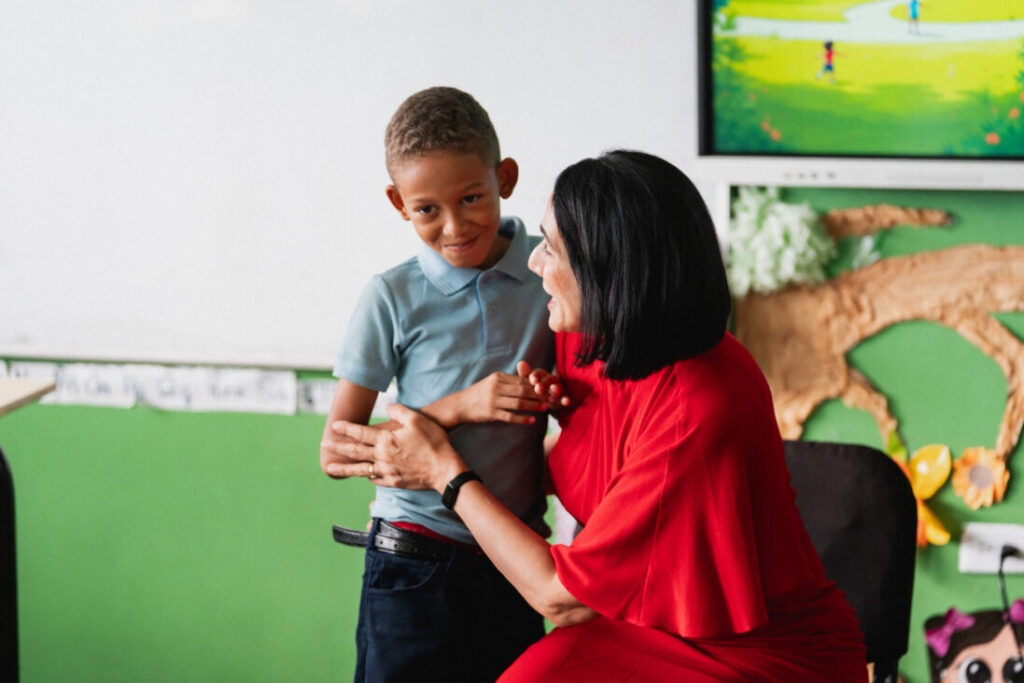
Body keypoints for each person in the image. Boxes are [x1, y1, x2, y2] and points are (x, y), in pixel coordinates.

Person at [327, 150, 869, 681]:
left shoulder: (697, 409)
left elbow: (560, 599)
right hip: (644, 622)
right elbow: (579, 467)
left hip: (757, 653)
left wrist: (444, 473)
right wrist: (459, 431)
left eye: (551, 249)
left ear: (609, 274)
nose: (533, 262)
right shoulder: (590, 342)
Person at [320, 86, 566, 683]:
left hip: (516, 562)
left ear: (505, 178)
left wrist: (549, 391)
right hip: (412, 564)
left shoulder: (549, 271)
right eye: (427, 209)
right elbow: (337, 450)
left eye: (471, 198)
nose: (454, 226)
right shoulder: (389, 296)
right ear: (398, 204)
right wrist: (462, 406)